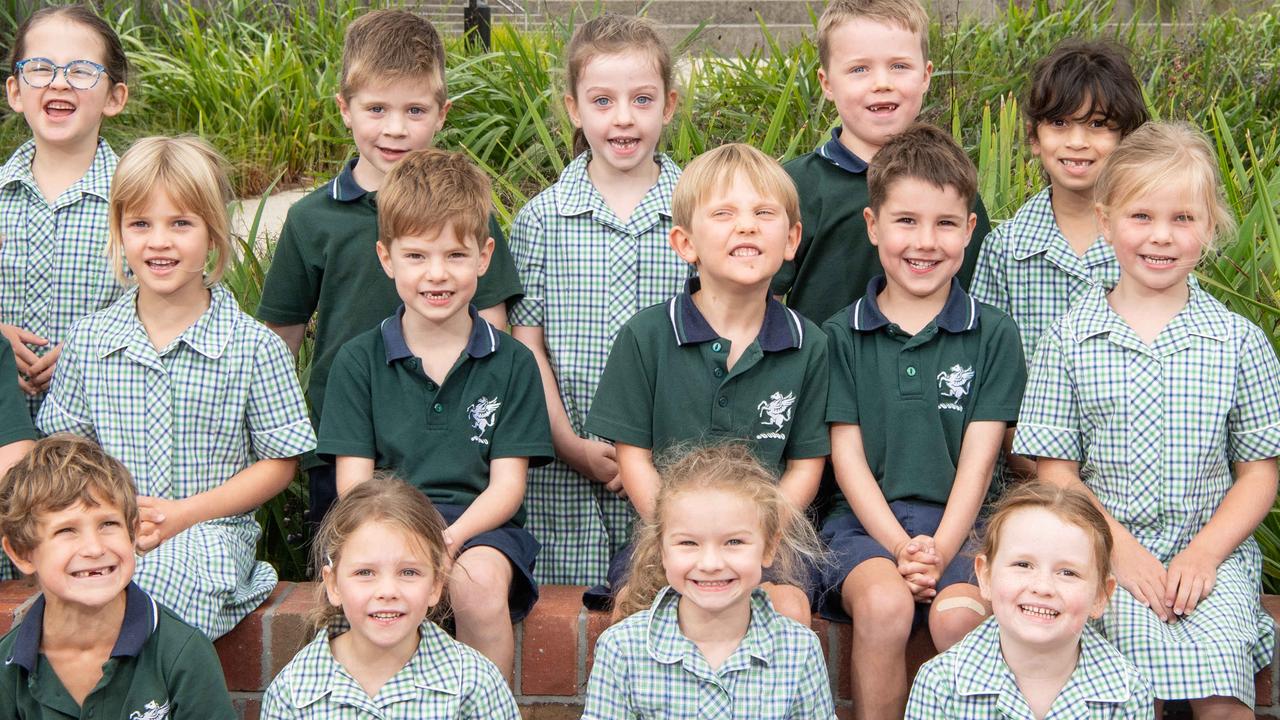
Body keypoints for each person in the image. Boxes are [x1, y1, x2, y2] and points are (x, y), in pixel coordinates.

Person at [1015, 121, 1280, 717]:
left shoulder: (1238, 341)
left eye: (1183, 219)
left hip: (1209, 556)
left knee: (1221, 684)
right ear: (1106, 221)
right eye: (1141, 217)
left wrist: (1206, 554)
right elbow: (1055, 470)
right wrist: (1120, 550)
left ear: (1210, 227)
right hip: (1106, 553)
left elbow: (1259, 472)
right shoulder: (1070, 339)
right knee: (1128, 689)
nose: (1161, 236)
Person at [37, 136, 316, 640]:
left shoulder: (253, 348)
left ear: (212, 235)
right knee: (81, 595)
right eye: (141, 223)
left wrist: (186, 513)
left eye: (180, 223)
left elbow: (281, 461)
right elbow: (66, 451)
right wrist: (107, 515)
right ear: (119, 231)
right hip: (109, 529)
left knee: (152, 593)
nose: (159, 241)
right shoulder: (90, 341)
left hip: (209, 533)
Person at [255, 9, 523, 527]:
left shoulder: (470, 215)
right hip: (346, 445)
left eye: (415, 110)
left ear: (442, 113)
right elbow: (278, 342)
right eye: (376, 108)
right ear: (345, 109)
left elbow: (491, 330)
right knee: (355, 587)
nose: (395, 129)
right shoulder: (313, 219)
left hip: (455, 454)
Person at [318, 148, 552, 680]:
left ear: (485, 256)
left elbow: (506, 488)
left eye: (455, 255)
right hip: (384, 522)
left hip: (481, 528)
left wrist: (449, 539)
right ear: (387, 258)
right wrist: (409, 543)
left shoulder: (512, 361)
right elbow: (354, 487)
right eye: (417, 256)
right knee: (373, 585)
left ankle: (487, 709)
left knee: (475, 587)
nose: (436, 274)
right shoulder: (359, 361)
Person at [820, 123, 1027, 720]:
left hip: (968, 527)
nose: (924, 241)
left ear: (969, 229)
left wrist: (938, 548)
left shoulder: (992, 334)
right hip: (864, 527)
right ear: (873, 226)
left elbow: (980, 459)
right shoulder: (840, 334)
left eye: (944, 224)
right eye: (906, 221)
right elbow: (848, 459)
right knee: (884, 607)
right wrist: (900, 548)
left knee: (959, 618)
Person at [586, 143, 828, 622]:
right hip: (668, 537)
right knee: (636, 607)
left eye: (764, 212)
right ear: (685, 243)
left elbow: (805, 466)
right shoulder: (647, 336)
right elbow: (633, 457)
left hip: (765, 544)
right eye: (724, 213)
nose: (747, 225)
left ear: (791, 239)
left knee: (788, 608)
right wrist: (679, 533)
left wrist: (751, 533)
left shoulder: (809, 344)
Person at [509, 14, 691, 585]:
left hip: (669, 465)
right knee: (560, 622)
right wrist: (567, 443)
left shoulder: (695, 214)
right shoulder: (541, 219)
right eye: (602, 100)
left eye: (641, 99)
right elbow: (527, 343)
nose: (623, 118)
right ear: (573, 109)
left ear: (668, 105)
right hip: (564, 476)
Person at [771, 0, 992, 325]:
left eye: (899, 66)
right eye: (859, 69)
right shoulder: (793, 187)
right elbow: (763, 301)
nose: (881, 83)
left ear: (926, 76)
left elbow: (979, 300)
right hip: (824, 372)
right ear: (827, 83)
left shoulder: (952, 186)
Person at [583, 444, 834, 719]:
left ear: (768, 548)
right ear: (661, 549)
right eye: (689, 542)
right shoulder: (621, 648)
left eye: (734, 542)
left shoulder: (799, 650)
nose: (711, 564)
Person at [0, 435, 235, 718]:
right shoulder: (8, 668)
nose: (94, 548)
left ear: (133, 532)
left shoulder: (182, 652)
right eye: (66, 530)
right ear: (22, 552)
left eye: (108, 524)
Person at [261, 477, 520, 719]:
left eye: (408, 572)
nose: (387, 591)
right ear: (333, 585)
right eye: (365, 572)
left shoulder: (475, 683)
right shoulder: (293, 692)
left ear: (435, 585)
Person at [907, 481, 1153, 718]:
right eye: (1023, 564)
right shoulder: (940, 684)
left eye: (1068, 572)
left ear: (1101, 595)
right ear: (986, 576)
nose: (1043, 587)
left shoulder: (1128, 692)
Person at [970, 39, 1149, 364]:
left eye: (1097, 124)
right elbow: (983, 363)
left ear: (1126, 138)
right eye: (1059, 123)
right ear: (1034, 137)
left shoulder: (1151, 240)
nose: (1077, 142)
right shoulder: (1005, 249)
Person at [0, 5, 129, 420]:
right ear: (15, 91)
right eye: (39, 68)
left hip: (99, 432)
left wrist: (95, 344)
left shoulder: (141, 201)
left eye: (81, 71)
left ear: (114, 97)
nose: (59, 83)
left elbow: (182, 305)